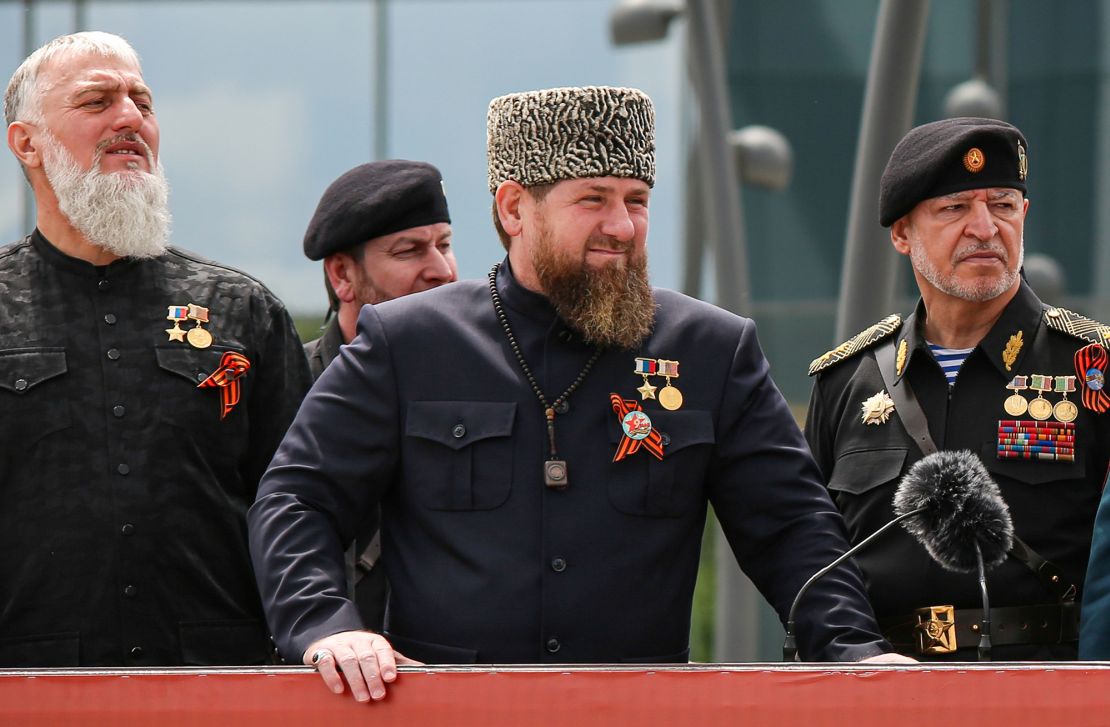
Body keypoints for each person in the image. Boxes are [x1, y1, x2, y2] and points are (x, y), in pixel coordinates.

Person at [249, 85, 896, 703]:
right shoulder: (409, 341)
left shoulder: (711, 351)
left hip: (640, 715)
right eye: (593, 199)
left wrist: (854, 651)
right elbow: (296, 495)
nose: (622, 225)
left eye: (637, 200)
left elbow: (792, 528)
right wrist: (326, 625)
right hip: (448, 713)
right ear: (513, 209)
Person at [0, 31, 312, 666]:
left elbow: (303, 505)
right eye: (96, 102)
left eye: (142, 103)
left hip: (217, 680)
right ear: (26, 143)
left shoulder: (241, 309)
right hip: (30, 680)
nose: (128, 120)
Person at [806, 117, 1110, 660]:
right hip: (882, 694)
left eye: (1003, 204)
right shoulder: (848, 381)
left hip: (1046, 691)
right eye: (955, 208)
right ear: (902, 233)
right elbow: (810, 554)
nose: (986, 228)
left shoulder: (1094, 368)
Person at [302, 160, 457, 631]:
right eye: (410, 251)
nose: (442, 271)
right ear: (342, 275)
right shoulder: (288, 388)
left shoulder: (487, 385)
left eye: (445, 245)